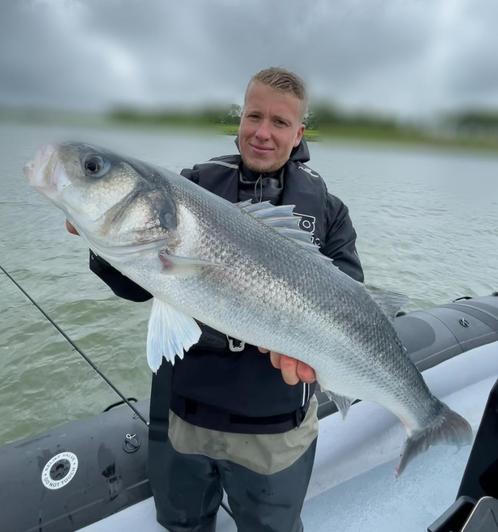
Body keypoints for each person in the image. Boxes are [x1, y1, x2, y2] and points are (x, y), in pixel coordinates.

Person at [67, 67, 363, 532]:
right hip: (189, 413)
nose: (263, 133)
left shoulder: (327, 210)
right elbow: (136, 286)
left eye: (280, 123)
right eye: (254, 116)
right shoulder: (193, 186)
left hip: (276, 426)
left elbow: (350, 296)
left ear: (299, 132)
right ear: (240, 119)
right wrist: (103, 242)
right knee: (183, 523)